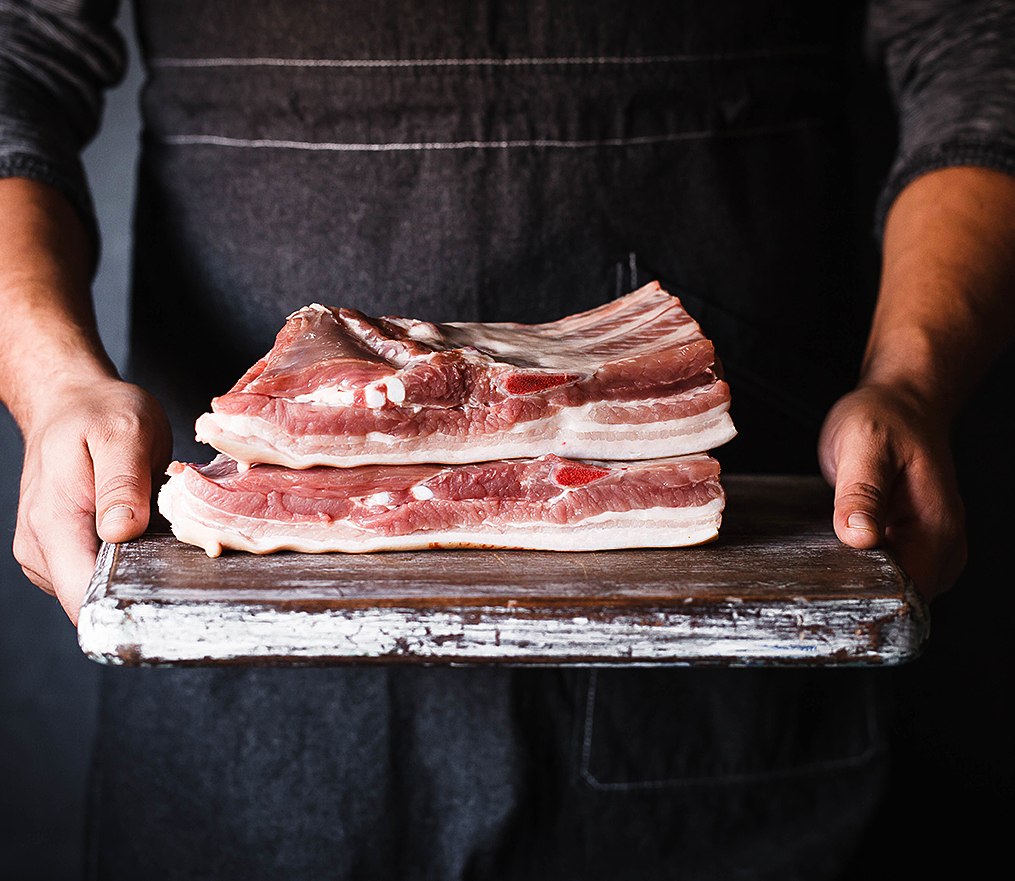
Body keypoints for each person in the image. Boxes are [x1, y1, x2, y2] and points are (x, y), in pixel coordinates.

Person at [1, 1, 1013, 878]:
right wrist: (54, 384)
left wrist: (912, 378)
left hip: (735, 565)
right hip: (244, 601)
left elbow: (978, 41)